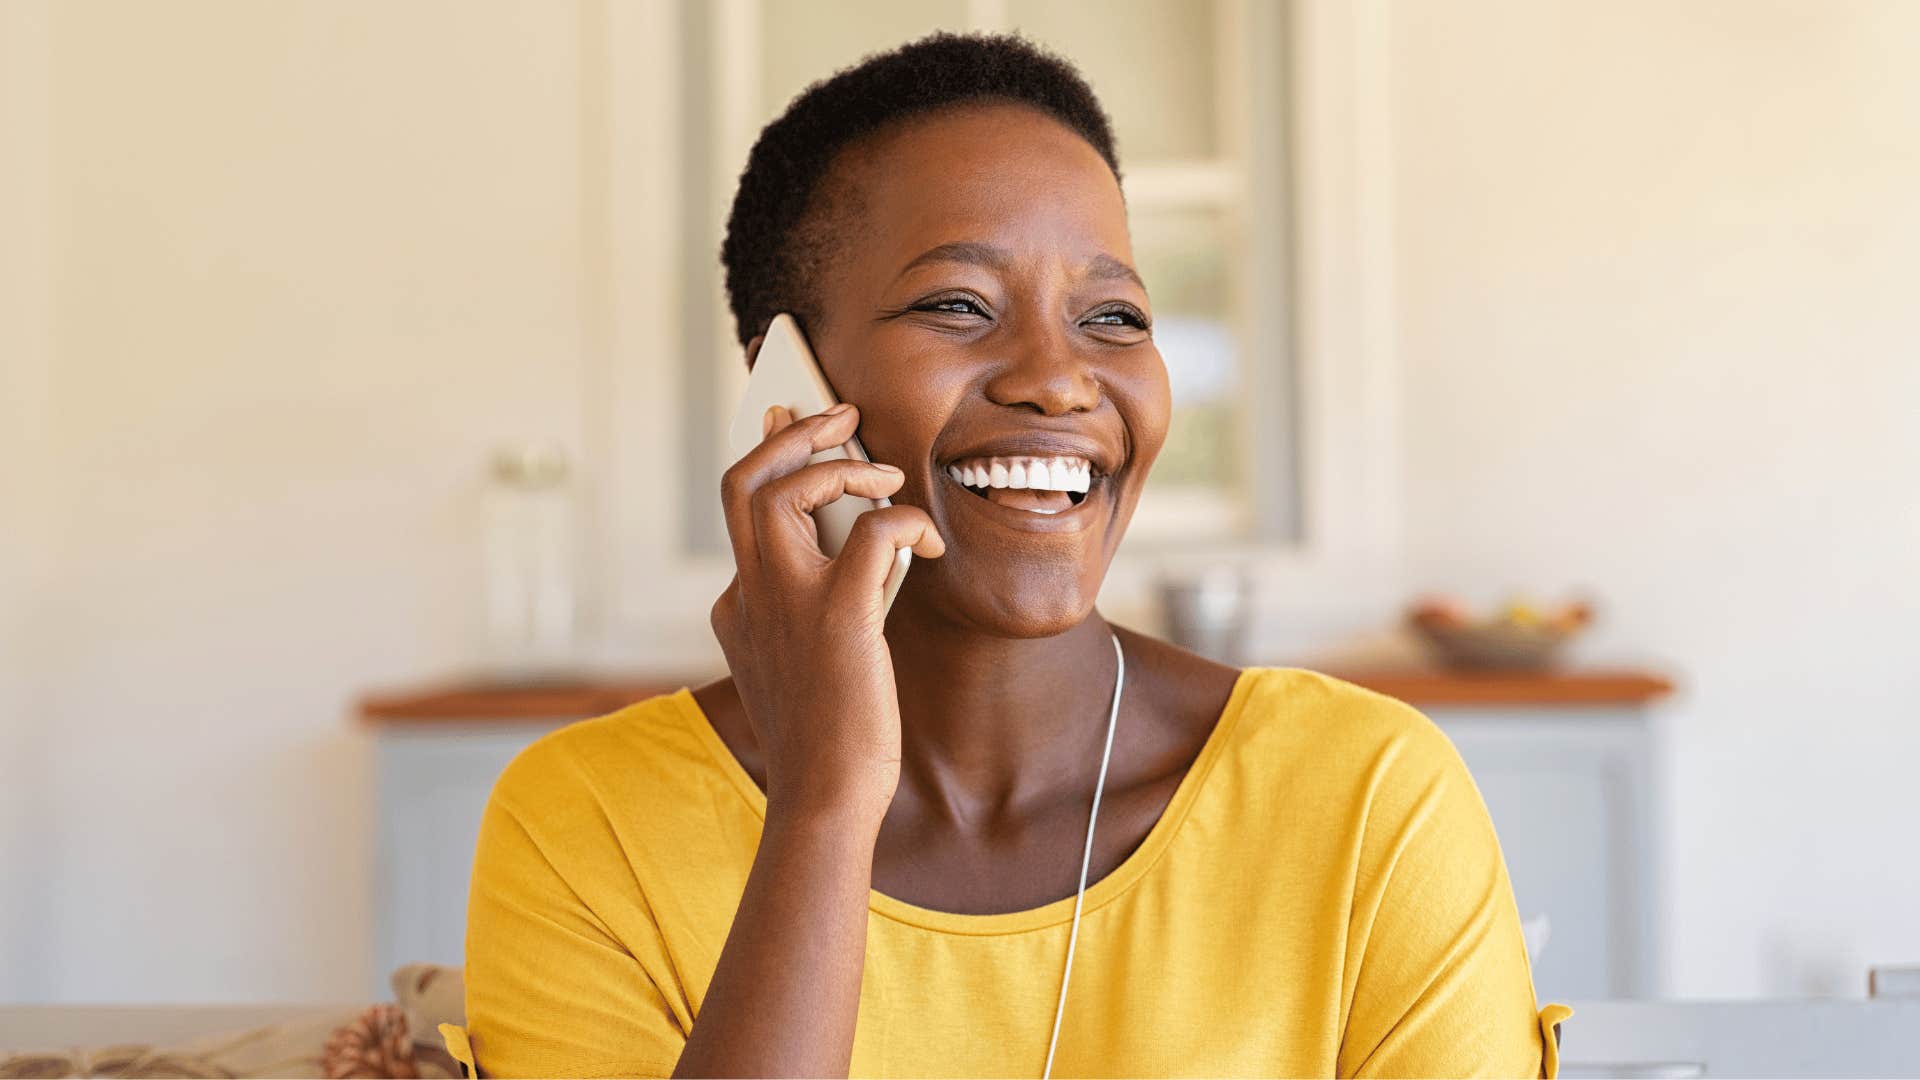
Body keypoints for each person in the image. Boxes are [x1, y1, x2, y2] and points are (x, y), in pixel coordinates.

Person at [449, 32, 1565, 1079]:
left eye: (1114, 318)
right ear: (787, 383)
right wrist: (826, 808)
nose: (1060, 379)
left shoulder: (1367, 795)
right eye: (956, 305)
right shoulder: (583, 823)